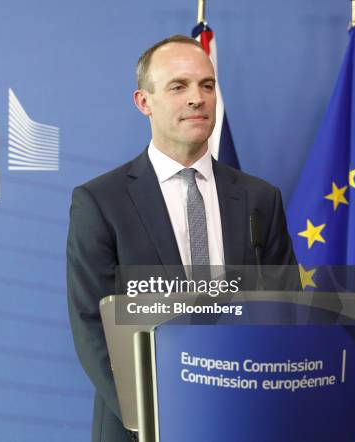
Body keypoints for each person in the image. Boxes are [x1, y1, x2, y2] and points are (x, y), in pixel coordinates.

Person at [66, 35, 297, 442]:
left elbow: (286, 309)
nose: (197, 98)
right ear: (144, 102)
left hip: (245, 415)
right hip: (140, 426)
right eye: (179, 86)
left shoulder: (261, 198)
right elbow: (91, 324)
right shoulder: (100, 201)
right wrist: (153, 416)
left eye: (207, 85)